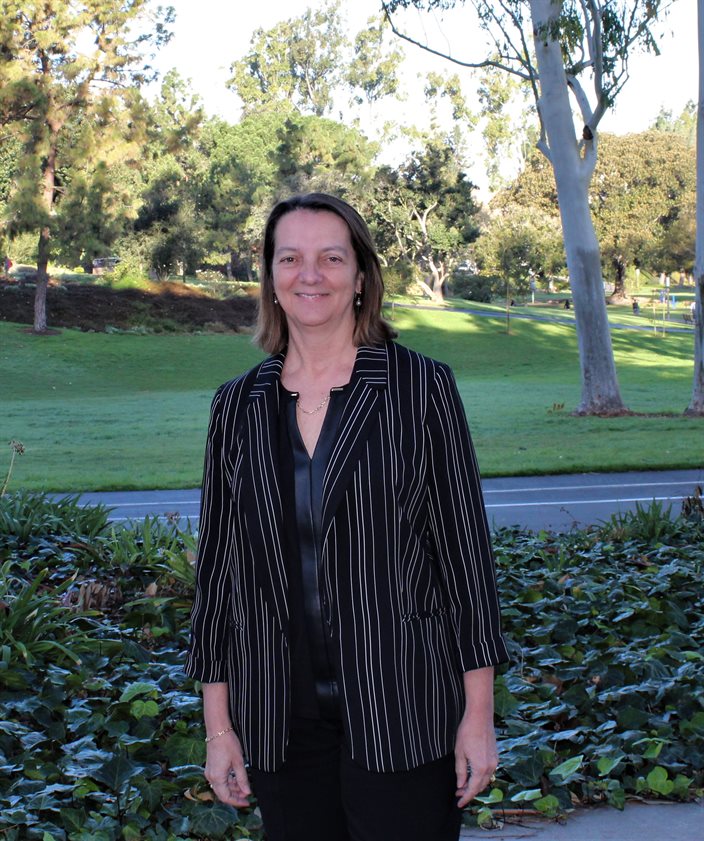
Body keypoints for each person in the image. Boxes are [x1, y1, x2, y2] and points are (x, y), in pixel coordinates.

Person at [185, 193, 509, 841]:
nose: (312, 274)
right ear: (271, 277)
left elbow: (466, 561)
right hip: (279, 718)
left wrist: (478, 715)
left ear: (361, 276)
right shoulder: (237, 407)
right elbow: (218, 574)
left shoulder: (421, 388)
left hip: (403, 707)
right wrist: (218, 727)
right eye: (291, 258)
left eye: (331, 257)